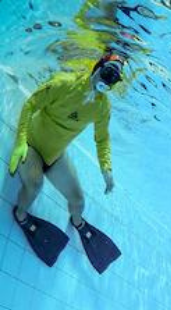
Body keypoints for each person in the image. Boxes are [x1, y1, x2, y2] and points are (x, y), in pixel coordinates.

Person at [9, 51, 125, 272]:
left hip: (56, 155)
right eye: (108, 73)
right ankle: (21, 216)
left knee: (79, 201)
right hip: (32, 145)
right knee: (34, 185)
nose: (107, 81)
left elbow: (102, 140)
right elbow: (31, 103)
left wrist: (106, 169)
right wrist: (21, 141)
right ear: (98, 67)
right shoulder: (65, 83)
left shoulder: (102, 107)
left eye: (113, 79)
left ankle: (78, 223)